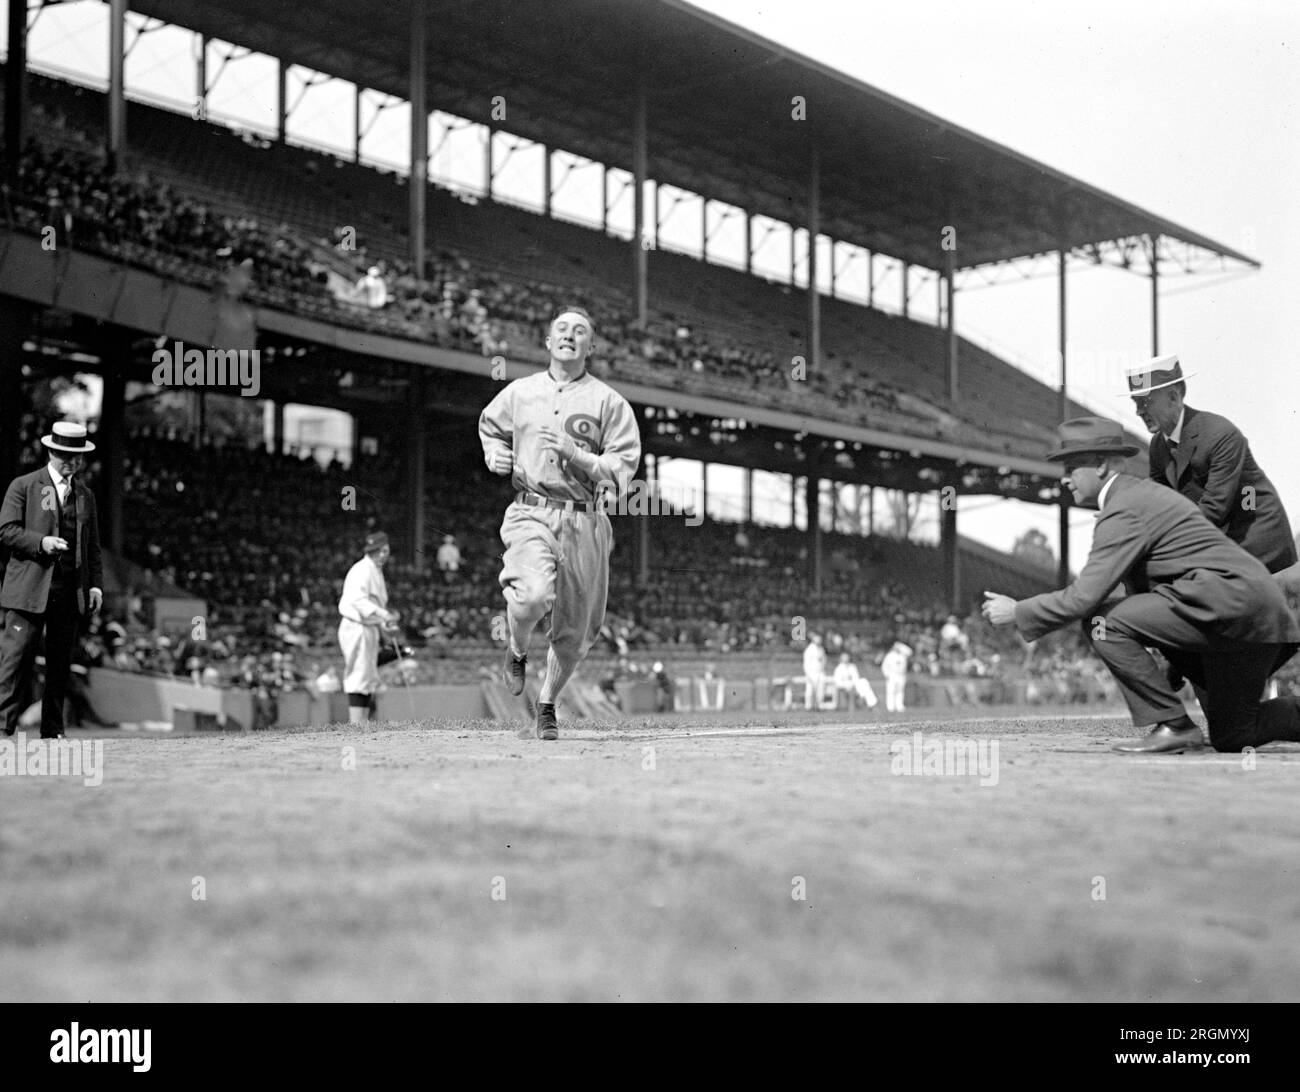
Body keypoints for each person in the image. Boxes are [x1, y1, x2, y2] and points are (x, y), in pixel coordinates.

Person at [982, 417, 1300, 754]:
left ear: (1101, 465)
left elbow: (1084, 598)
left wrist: (1018, 610)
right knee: (1234, 734)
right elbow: (1153, 600)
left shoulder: (1124, 508)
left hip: (1233, 616)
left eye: (1072, 467)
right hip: (1252, 619)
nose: (1064, 478)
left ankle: (1174, 725)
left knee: (1101, 621)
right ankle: (1182, 726)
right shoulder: (1139, 496)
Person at [479, 306, 642, 741]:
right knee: (531, 596)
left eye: (580, 331)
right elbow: (490, 427)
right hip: (532, 509)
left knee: (575, 633)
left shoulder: (610, 403)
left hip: (586, 520)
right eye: (561, 329)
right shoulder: (520, 393)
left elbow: (623, 469)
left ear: (591, 347)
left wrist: (578, 455)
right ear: (548, 342)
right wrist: (493, 452)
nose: (570, 335)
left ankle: (547, 703)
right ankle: (516, 650)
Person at [1126, 355, 1295, 574]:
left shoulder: (1221, 435)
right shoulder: (1158, 445)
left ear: (1173, 396)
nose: (1138, 411)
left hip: (1258, 543)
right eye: (1136, 402)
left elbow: (1214, 510)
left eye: (1145, 402)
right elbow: (1160, 500)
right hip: (1220, 539)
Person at [0, 421, 104, 738]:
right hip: (28, 589)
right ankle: (3, 728)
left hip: (68, 591)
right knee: (15, 661)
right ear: (51, 451)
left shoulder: (86, 496)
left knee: (60, 665)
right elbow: (6, 531)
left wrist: (96, 585)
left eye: (77, 456)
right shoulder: (24, 486)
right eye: (65, 455)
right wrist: (41, 543)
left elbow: (93, 547)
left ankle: (53, 730)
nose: (72, 462)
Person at [337, 531, 400, 724]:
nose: (383, 554)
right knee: (359, 674)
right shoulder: (361, 569)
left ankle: (362, 722)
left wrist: (385, 624)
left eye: (384, 551)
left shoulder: (375, 571)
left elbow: (376, 605)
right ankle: (356, 723)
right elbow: (357, 601)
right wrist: (384, 616)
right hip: (356, 626)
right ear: (371, 551)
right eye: (378, 551)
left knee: (368, 675)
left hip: (368, 627)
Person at [881, 641, 912, 712]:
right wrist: (886, 675)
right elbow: (884, 666)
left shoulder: (903, 655)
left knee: (900, 691)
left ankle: (899, 706)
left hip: (901, 675)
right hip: (892, 675)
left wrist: (901, 645)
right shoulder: (890, 655)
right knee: (891, 691)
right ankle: (890, 707)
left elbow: (910, 652)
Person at [802, 632, 826, 710]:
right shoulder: (809, 649)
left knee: (821, 689)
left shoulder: (821, 649)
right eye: (817, 639)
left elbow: (824, 660)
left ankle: (819, 705)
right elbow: (806, 663)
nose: (819, 641)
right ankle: (808, 706)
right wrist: (807, 674)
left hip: (820, 671)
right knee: (810, 690)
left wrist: (823, 669)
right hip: (811, 672)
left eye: (820, 639)